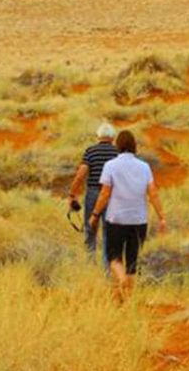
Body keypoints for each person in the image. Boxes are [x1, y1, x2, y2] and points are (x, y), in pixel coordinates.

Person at [88, 130, 166, 297]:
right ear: (134, 146)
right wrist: (161, 217)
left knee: (114, 258)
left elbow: (104, 194)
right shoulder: (144, 167)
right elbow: (153, 193)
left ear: (118, 146)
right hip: (139, 220)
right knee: (132, 261)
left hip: (116, 218)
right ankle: (126, 298)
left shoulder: (111, 165)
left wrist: (95, 214)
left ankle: (121, 279)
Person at [68, 123, 119, 265]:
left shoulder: (91, 151)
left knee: (90, 228)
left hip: (93, 192)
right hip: (111, 194)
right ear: (113, 137)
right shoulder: (118, 152)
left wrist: (72, 193)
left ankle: (89, 263)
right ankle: (107, 268)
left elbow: (80, 175)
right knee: (108, 231)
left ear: (98, 136)